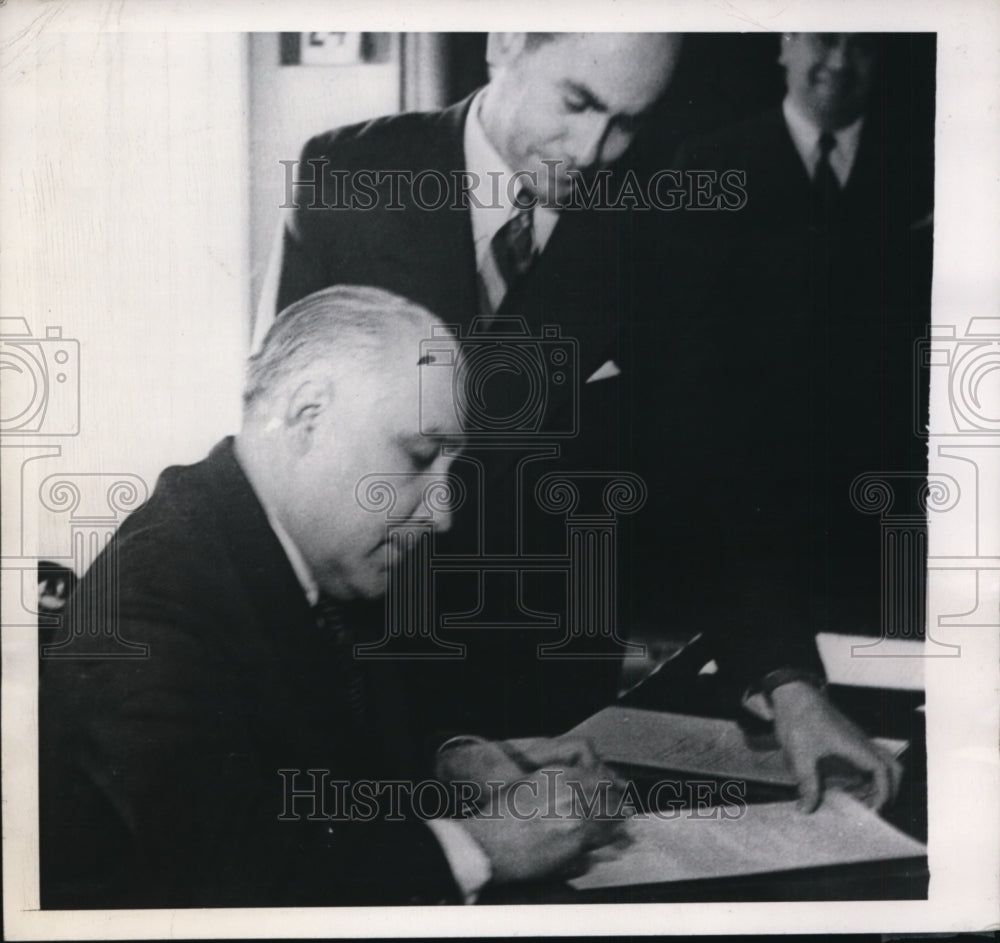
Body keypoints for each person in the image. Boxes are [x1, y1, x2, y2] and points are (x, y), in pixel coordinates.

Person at [262, 33, 902, 812]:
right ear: (504, 43)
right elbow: (285, 466)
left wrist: (787, 678)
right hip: (360, 683)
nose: (595, 150)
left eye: (628, 122)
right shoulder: (349, 177)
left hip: (552, 701)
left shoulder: (652, 221)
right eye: (578, 102)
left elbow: (705, 472)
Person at [39, 286, 624, 909]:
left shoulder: (291, 547)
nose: (443, 512)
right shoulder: (150, 603)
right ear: (307, 416)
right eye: (420, 456)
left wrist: (455, 764)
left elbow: (319, 750)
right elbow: (229, 874)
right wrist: (484, 847)